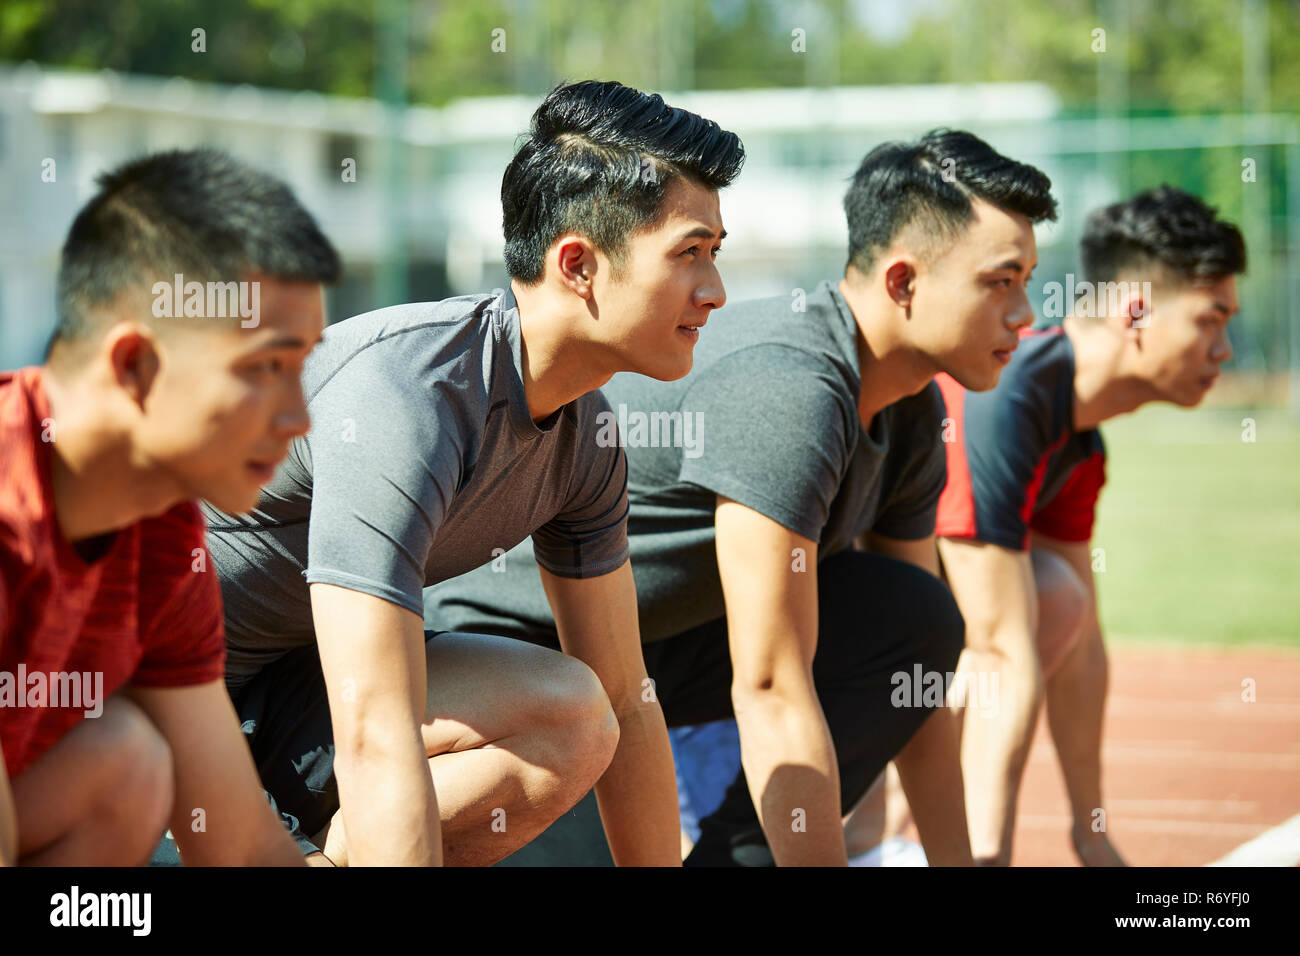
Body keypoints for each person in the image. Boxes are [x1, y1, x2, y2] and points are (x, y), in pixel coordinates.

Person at [429, 129, 1058, 866]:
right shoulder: (791, 391)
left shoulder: (911, 413)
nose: (1025, 312)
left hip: (637, 656)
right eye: (1001, 280)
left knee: (914, 618)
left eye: (1028, 280)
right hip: (508, 664)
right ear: (903, 282)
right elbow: (771, 688)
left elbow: (915, 679)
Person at [202, 80, 744, 866]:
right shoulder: (405, 397)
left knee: (577, 714)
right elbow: (375, 727)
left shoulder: (586, 434)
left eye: (716, 256)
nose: (716, 292)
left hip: (293, 695)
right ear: (578, 265)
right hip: (141, 699)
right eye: (690, 255)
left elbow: (627, 698)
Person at [0, 148, 340, 865]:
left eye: (303, 369)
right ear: (134, 366)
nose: (299, 418)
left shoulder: (163, 531)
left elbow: (238, 841)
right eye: (265, 369)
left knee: (130, 763)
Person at [934, 185, 1245, 865]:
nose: (1224, 349)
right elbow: (996, 653)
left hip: (875, 651)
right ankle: (903, 834)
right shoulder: (1007, 394)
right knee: (996, 638)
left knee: (1058, 600)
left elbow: (1078, 645)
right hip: (770, 654)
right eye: (1210, 319)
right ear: (1135, 310)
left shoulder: (1079, 440)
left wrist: (1092, 834)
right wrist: (990, 858)